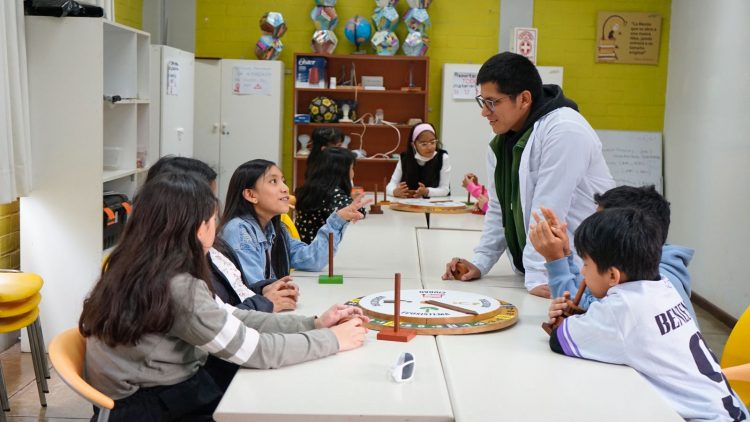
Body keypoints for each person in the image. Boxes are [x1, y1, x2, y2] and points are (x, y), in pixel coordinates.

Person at [80, 173, 368, 420]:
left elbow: (230, 317)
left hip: (148, 392)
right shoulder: (177, 286)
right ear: (195, 229)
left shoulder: (137, 264)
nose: (216, 230)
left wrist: (314, 324)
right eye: (212, 221)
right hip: (149, 407)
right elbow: (255, 350)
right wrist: (333, 340)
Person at [546, 208, 748, 421]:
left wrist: (564, 318)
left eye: (586, 264)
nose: (583, 272)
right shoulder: (663, 287)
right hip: (733, 410)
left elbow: (558, 339)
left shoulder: (622, 307)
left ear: (613, 275)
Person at [442, 52, 614, 298]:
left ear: (523, 99)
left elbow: (548, 210)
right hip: (544, 274)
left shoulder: (564, 130)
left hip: (583, 274)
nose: (485, 112)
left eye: (492, 102)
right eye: (483, 101)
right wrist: (480, 261)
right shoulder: (503, 141)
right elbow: (499, 208)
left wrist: (540, 276)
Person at [145, 155, 298, 314]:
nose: (215, 210)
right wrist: (265, 302)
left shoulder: (209, 250)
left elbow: (232, 294)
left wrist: (263, 289)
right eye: (209, 200)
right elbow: (218, 321)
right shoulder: (174, 273)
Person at [530, 185, 697, 321]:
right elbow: (590, 297)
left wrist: (555, 260)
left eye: (600, 227)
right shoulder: (645, 262)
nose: (594, 231)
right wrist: (565, 255)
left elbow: (593, 316)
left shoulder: (653, 284)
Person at [220, 159, 369, 283]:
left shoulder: (275, 229)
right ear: (251, 194)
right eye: (273, 181)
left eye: (283, 181)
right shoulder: (239, 231)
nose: (285, 188)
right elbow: (255, 290)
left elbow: (312, 259)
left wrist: (339, 220)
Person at [296, 147, 365, 244]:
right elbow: (357, 211)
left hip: (304, 244)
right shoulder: (332, 192)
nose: (353, 172)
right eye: (352, 168)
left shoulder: (315, 187)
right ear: (341, 172)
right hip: (317, 250)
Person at [386, 123, 451, 198]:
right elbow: (390, 185)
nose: (430, 147)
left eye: (433, 142)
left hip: (434, 206)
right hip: (408, 204)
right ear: (413, 145)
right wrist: (394, 191)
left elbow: (445, 189)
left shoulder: (443, 157)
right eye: (424, 144)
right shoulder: (405, 158)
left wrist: (427, 191)